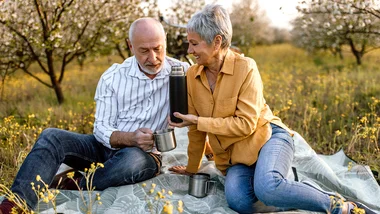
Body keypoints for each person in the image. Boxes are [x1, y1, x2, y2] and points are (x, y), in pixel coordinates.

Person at [168, 4, 374, 214]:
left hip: (268, 138)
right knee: (239, 202)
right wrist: (191, 169)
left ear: (217, 41)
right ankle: (284, 186)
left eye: (194, 44)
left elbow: (246, 125)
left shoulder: (246, 68)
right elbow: (196, 131)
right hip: (235, 156)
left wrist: (198, 120)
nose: (189, 51)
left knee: (267, 188)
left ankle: (338, 205)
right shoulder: (192, 76)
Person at [0, 17, 190, 214]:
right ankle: (14, 206)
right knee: (51, 137)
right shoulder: (113, 76)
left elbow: (208, 104)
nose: (153, 58)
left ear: (165, 42)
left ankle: (77, 182)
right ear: (130, 46)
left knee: (132, 161)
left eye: (158, 48)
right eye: (144, 51)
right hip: (104, 147)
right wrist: (131, 137)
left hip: (146, 154)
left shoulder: (182, 73)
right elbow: (101, 129)